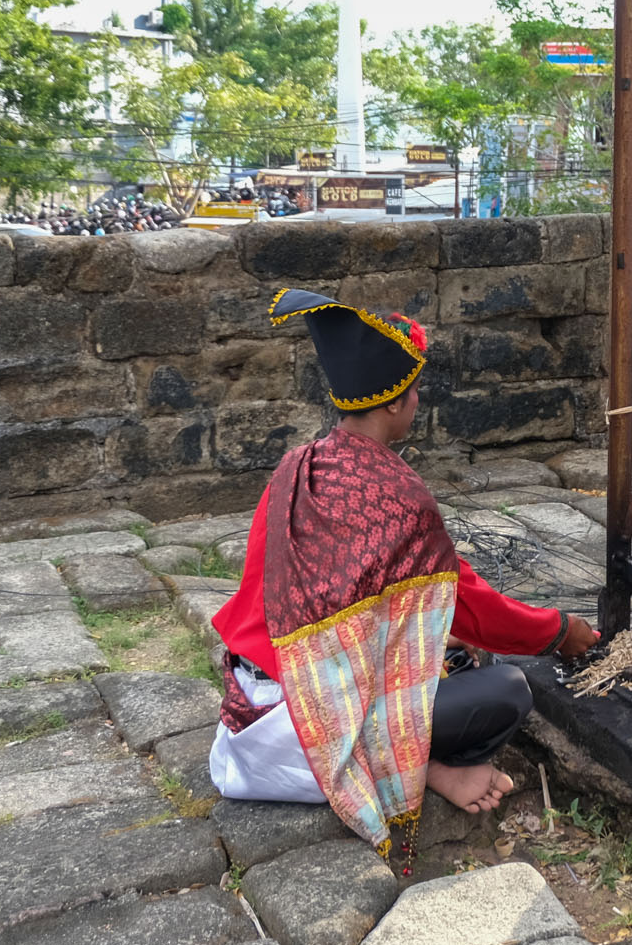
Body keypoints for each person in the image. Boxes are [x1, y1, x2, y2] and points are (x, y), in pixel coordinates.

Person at [206, 288, 599, 857]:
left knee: (450, 648)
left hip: (252, 715)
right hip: (317, 736)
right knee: (507, 689)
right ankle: (433, 768)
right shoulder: (399, 496)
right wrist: (561, 631)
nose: (417, 401)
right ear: (395, 404)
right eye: (414, 391)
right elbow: (474, 607)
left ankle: (428, 763)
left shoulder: (295, 468)